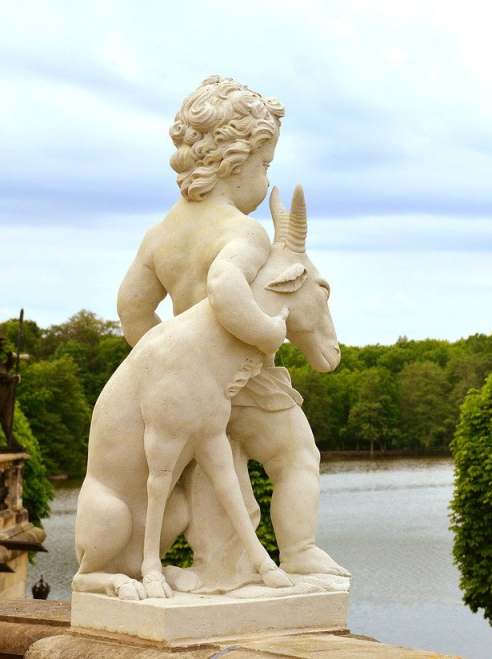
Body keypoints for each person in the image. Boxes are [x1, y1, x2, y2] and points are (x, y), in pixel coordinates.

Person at [117, 75, 345, 579]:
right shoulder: (244, 232)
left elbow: (132, 311)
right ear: (236, 163)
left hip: (191, 381)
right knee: (296, 456)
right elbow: (226, 287)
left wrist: (170, 368)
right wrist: (266, 332)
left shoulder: (160, 236)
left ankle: (222, 566)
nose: (266, 179)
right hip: (243, 370)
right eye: (265, 166)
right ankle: (299, 550)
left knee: (218, 476)